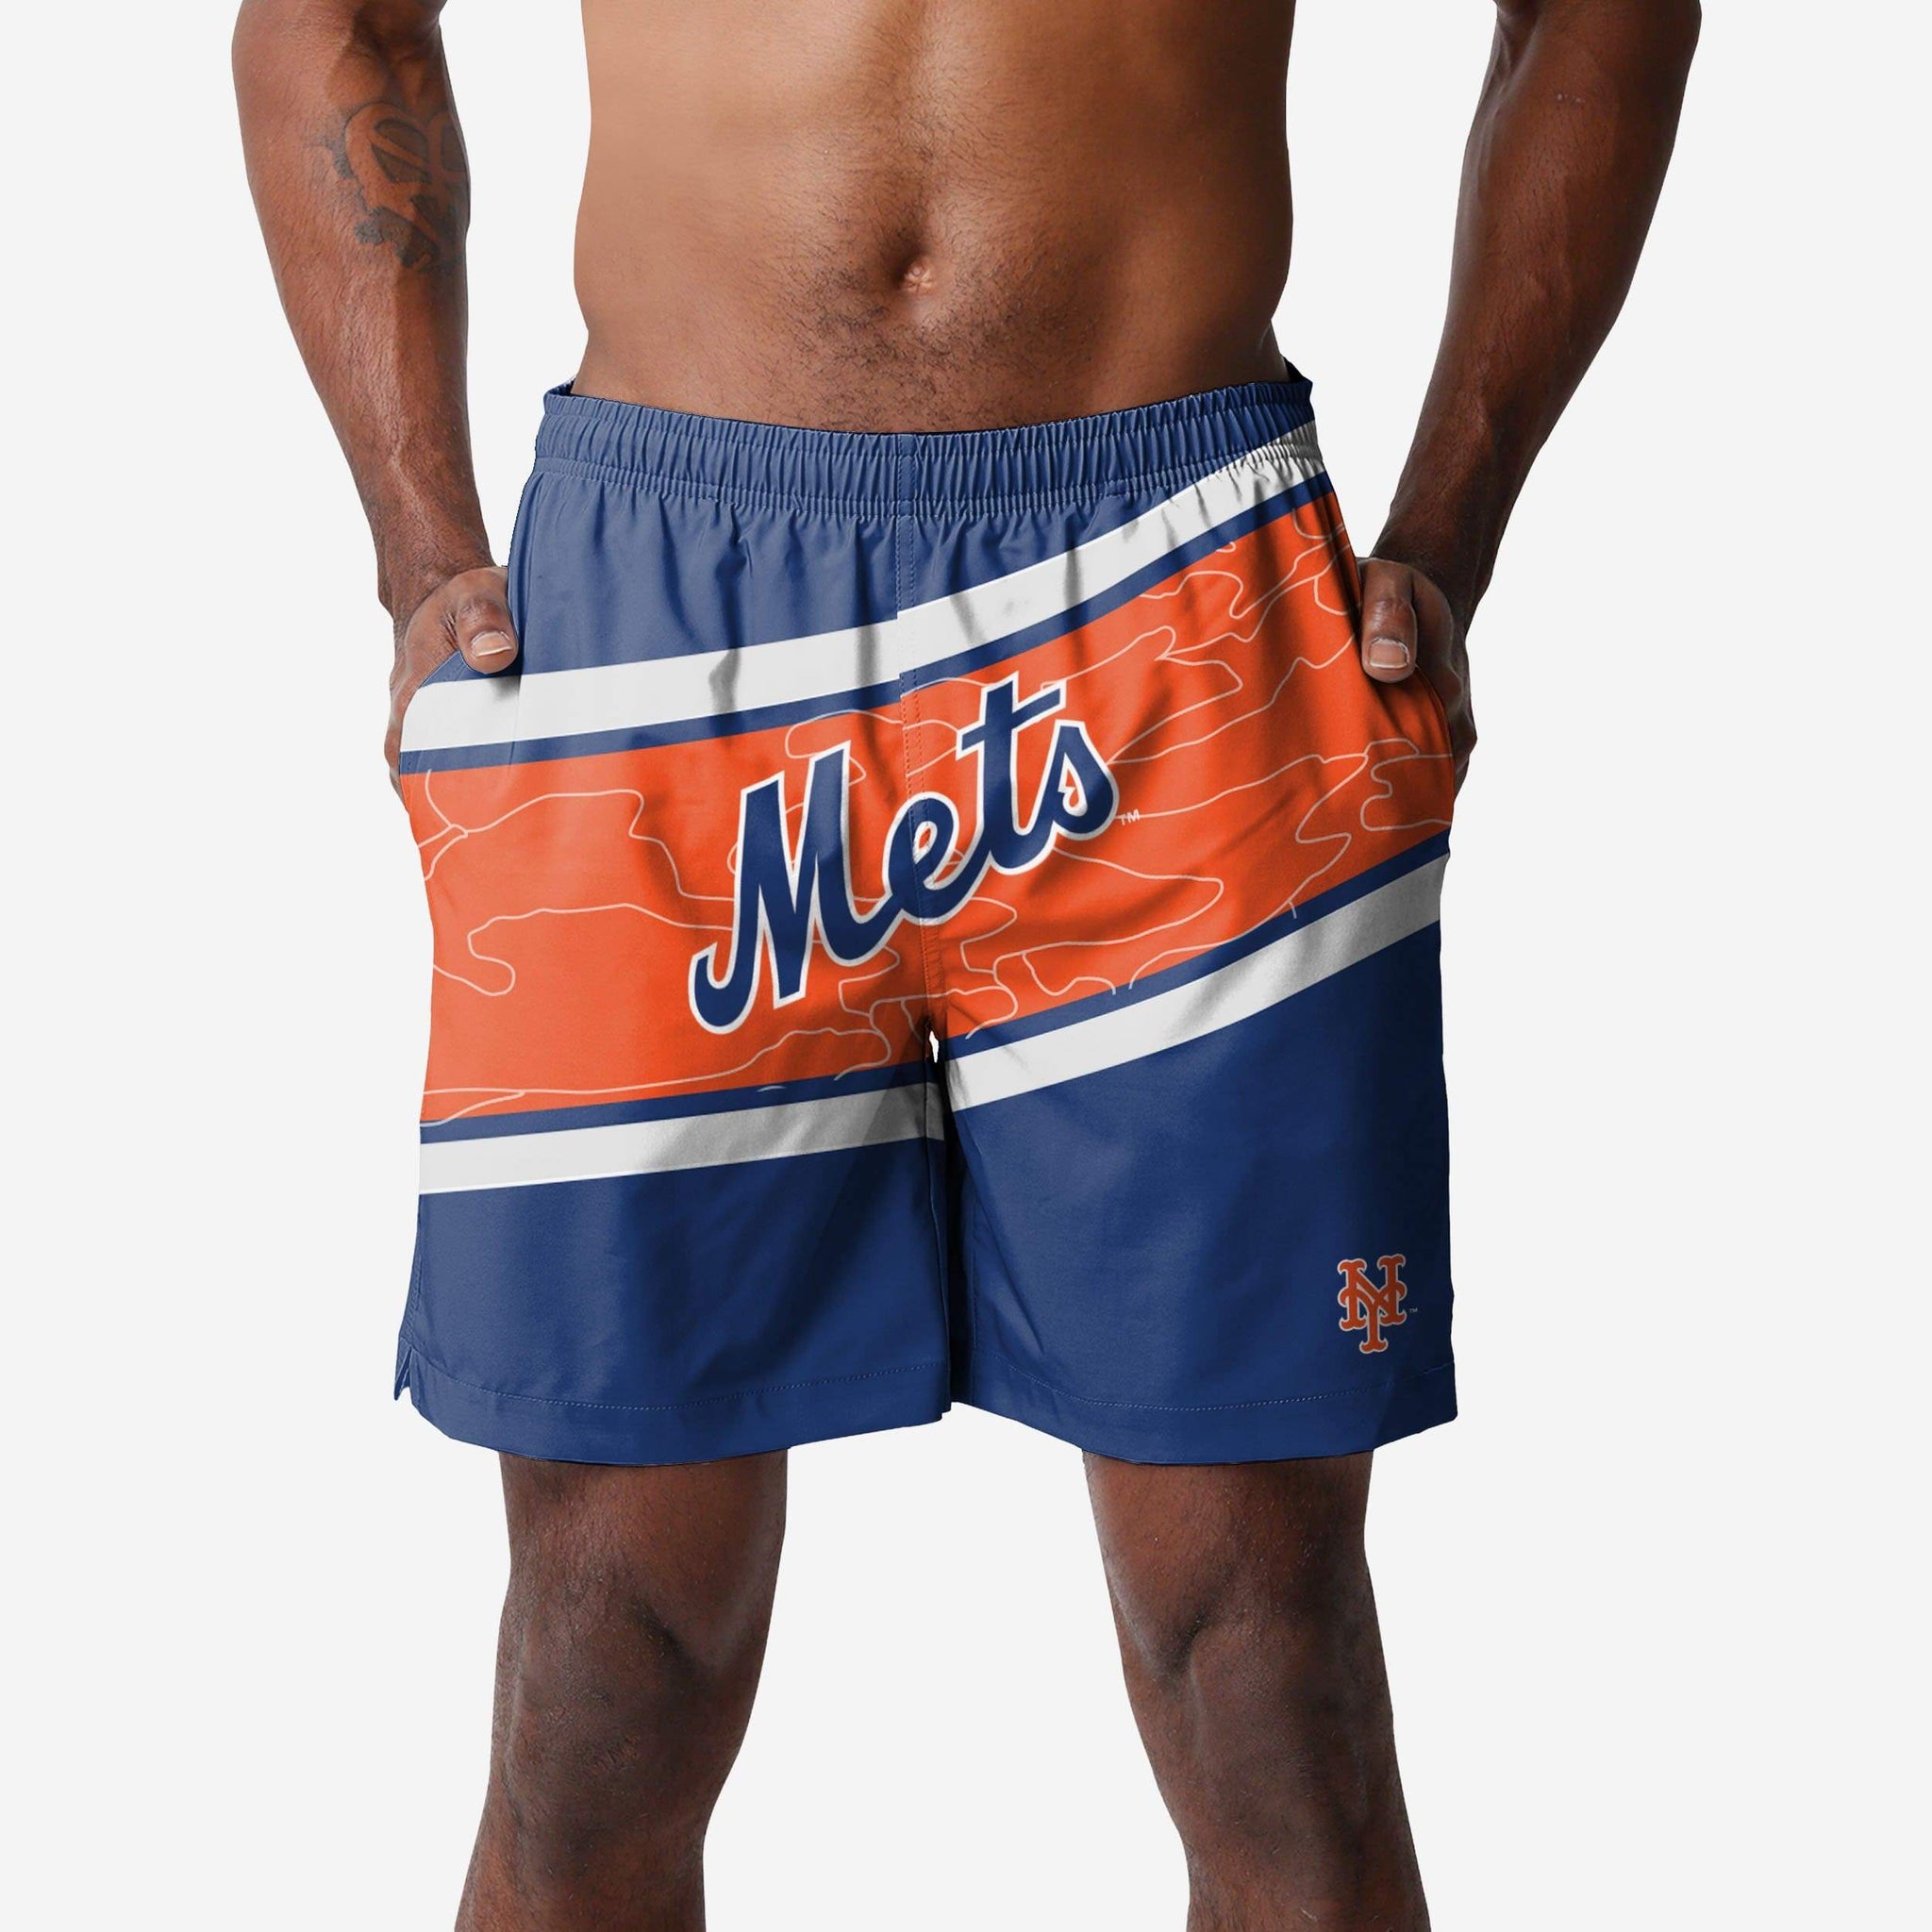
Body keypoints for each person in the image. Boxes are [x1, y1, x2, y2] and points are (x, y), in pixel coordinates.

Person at [235, 3, 1697, 1924]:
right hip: (666, 620)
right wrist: (420, 549)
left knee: (1261, 1660)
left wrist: (1453, 528)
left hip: (1176, 604)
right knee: (608, 1659)